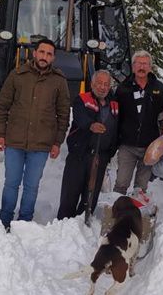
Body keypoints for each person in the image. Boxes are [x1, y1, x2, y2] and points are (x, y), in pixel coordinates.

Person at [0, 38, 70, 231]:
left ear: (53, 58)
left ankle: (24, 223)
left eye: (49, 54)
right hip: (14, 141)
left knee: (31, 186)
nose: (44, 57)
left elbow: (63, 115)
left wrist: (57, 142)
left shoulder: (59, 81)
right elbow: (2, 106)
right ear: (34, 53)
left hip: (41, 145)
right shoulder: (17, 75)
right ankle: (5, 220)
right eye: (42, 52)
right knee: (11, 183)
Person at [57, 70, 118, 220]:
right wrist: (91, 125)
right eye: (99, 83)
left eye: (106, 84)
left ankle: (83, 224)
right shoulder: (82, 99)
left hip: (100, 157)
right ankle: (64, 225)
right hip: (79, 154)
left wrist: (110, 151)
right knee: (70, 194)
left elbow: (117, 128)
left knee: (91, 196)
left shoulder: (115, 104)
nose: (102, 87)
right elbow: (80, 117)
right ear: (92, 84)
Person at [113, 50, 163, 195]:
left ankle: (136, 214)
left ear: (150, 67)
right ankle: (116, 213)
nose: (142, 67)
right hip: (127, 145)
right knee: (121, 183)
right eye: (138, 63)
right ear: (133, 67)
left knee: (141, 187)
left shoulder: (160, 89)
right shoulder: (122, 89)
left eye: (145, 64)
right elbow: (114, 115)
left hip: (150, 146)